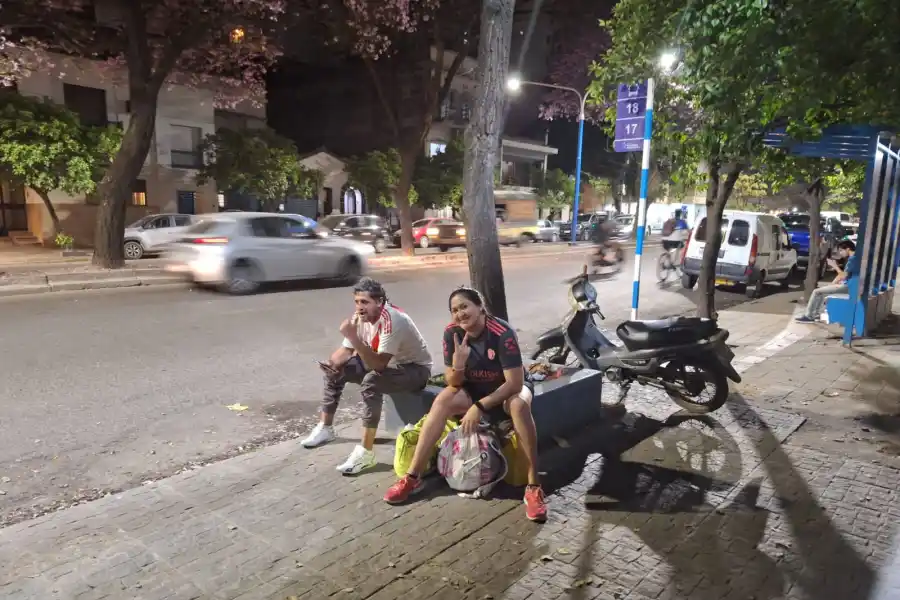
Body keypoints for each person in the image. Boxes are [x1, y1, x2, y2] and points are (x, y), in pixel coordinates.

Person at [382, 287, 548, 522]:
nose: (460, 314)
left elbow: (514, 383)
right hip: (472, 389)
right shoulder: (452, 333)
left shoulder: (502, 333)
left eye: (464, 306)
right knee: (442, 400)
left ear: (480, 307)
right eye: (454, 310)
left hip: (506, 389)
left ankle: (534, 486)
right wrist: (458, 364)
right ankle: (412, 476)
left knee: (519, 406)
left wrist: (478, 408)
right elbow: (452, 381)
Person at [300, 277, 433, 474]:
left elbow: (378, 365)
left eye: (365, 302)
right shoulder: (360, 318)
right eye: (357, 302)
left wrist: (353, 336)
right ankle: (325, 427)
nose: (360, 307)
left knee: (372, 382)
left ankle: (366, 452)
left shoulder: (394, 320)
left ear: (379, 302)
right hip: (386, 365)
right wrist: (332, 365)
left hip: (413, 370)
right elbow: (344, 352)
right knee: (337, 372)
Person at [795, 240, 858, 323]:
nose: (840, 253)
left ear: (848, 249)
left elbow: (843, 275)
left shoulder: (852, 260)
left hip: (850, 286)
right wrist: (833, 284)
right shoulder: (855, 258)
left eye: (841, 250)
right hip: (852, 284)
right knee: (821, 291)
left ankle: (809, 316)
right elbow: (844, 276)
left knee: (816, 291)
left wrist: (834, 266)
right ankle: (815, 314)